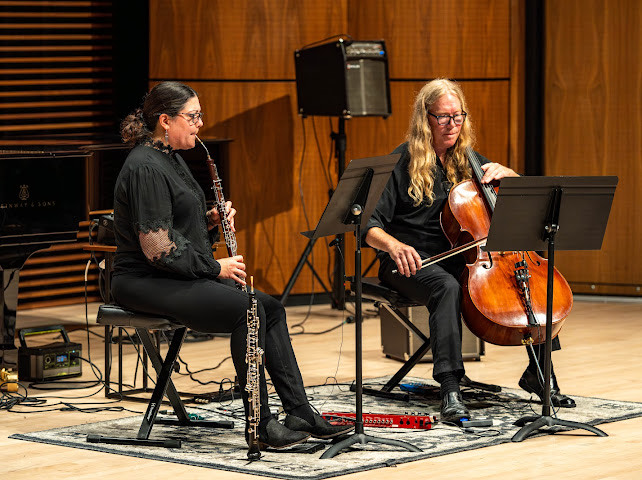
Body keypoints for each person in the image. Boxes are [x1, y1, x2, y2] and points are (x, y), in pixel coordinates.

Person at [112, 81, 353, 449]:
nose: (200, 124)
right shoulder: (145, 165)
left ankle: (299, 411)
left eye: (199, 116)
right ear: (165, 120)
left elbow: (178, 228)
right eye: (192, 116)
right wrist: (215, 268)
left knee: (272, 309)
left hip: (170, 274)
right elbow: (157, 247)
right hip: (142, 280)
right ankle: (260, 423)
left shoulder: (171, 158)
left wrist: (209, 221)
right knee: (248, 310)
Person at [364, 78, 575, 423]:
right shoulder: (401, 162)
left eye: (458, 116)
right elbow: (368, 225)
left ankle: (540, 374)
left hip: (464, 258)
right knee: (446, 287)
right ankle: (450, 387)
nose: (452, 125)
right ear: (425, 118)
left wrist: (513, 177)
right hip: (410, 261)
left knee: (530, 281)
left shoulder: (469, 160)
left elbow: (523, 204)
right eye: (443, 117)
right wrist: (394, 245)